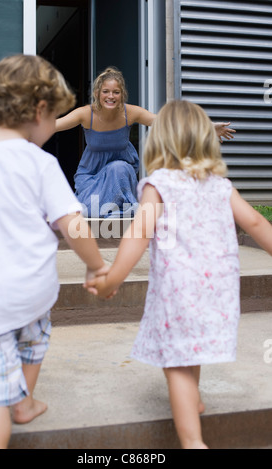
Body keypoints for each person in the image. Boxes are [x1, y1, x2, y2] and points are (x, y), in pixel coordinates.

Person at [85, 100, 272, 449]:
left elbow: (139, 234)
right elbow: (256, 222)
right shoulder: (220, 184)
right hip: (219, 292)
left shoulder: (160, 184)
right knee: (190, 350)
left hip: (179, 291)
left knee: (176, 363)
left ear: (161, 142)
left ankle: (192, 442)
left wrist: (113, 278)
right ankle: (194, 401)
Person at [0, 54, 106, 449]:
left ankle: (14, 403)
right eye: (55, 118)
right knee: (34, 341)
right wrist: (97, 265)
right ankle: (23, 403)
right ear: (40, 109)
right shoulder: (40, 163)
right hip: (33, 293)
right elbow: (73, 223)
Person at [56, 66, 235, 218]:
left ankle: (118, 207)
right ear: (97, 93)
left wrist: (208, 126)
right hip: (91, 177)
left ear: (122, 94)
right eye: (106, 91)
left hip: (121, 176)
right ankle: (113, 208)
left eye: (116, 92)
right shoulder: (86, 114)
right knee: (90, 210)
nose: (111, 96)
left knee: (118, 167)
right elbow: (54, 125)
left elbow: (167, 121)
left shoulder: (130, 113)